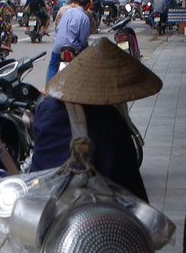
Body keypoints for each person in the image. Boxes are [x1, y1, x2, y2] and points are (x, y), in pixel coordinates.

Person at [31, 37, 162, 199]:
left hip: (42, 201)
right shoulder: (114, 123)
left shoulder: (48, 108)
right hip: (97, 211)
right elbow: (134, 192)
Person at [46, 0, 91, 81]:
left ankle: (48, 90)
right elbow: (83, 39)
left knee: (52, 66)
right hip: (73, 47)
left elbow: (57, 28)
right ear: (87, 4)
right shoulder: (85, 17)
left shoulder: (67, 11)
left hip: (58, 45)